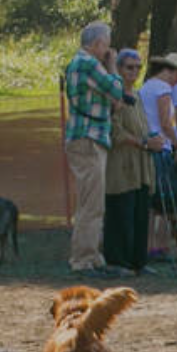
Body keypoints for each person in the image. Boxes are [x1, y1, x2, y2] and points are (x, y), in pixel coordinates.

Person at [63, 21, 125, 274]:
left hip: (87, 138)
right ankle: (83, 259)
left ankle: (93, 255)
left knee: (92, 201)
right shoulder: (89, 64)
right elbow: (117, 91)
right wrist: (113, 66)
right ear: (97, 43)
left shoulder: (80, 63)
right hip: (88, 139)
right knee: (91, 203)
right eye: (106, 46)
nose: (108, 51)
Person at [104, 49, 161, 275]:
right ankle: (118, 262)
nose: (135, 72)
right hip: (121, 165)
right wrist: (143, 143)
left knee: (139, 214)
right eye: (129, 67)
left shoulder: (136, 96)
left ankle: (139, 261)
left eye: (138, 67)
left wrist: (151, 139)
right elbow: (115, 132)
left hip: (141, 165)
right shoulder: (114, 96)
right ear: (118, 69)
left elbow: (142, 126)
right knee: (121, 214)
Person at [139, 51, 177, 260]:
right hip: (160, 148)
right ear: (171, 71)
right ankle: (157, 246)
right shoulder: (163, 88)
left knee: (150, 200)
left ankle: (147, 245)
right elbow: (166, 123)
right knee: (162, 201)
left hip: (147, 145)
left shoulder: (146, 86)